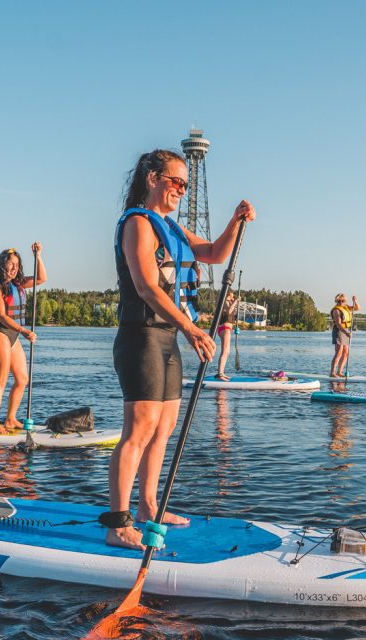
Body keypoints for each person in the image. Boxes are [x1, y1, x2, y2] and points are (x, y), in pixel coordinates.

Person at [106, 148, 255, 549]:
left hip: (167, 338)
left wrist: (236, 222)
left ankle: (148, 507)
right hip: (141, 336)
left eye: (186, 184)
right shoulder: (138, 223)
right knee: (138, 431)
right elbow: (146, 287)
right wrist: (191, 327)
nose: (181, 190)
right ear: (153, 179)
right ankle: (118, 523)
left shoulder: (170, 226)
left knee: (163, 429)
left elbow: (214, 253)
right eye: (176, 182)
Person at [0, 244, 46, 433]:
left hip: (13, 335)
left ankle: (10, 419)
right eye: (10, 264)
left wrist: (38, 256)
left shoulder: (18, 284)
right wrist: (24, 331)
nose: (14, 268)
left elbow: (42, 278)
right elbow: (1, 316)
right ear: (2, 264)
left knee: (22, 379)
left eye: (17, 265)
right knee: (1, 380)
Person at [329, 293, 359, 377]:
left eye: (343, 301)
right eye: (338, 301)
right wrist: (346, 333)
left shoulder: (346, 307)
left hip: (346, 330)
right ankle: (332, 373)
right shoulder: (336, 310)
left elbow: (357, 308)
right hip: (339, 331)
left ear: (345, 301)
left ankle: (340, 372)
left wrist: (355, 301)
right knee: (339, 352)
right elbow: (338, 324)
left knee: (345, 352)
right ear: (336, 301)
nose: (340, 303)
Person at [214, 291, 240, 380]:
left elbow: (232, 315)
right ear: (228, 294)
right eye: (232, 294)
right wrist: (236, 302)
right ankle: (220, 374)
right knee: (225, 351)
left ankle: (221, 372)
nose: (233, 295)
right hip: (224, 328)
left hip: (227, 328)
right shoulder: (224, 302)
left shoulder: (229, 303)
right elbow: (228, 312)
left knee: (226, 351)